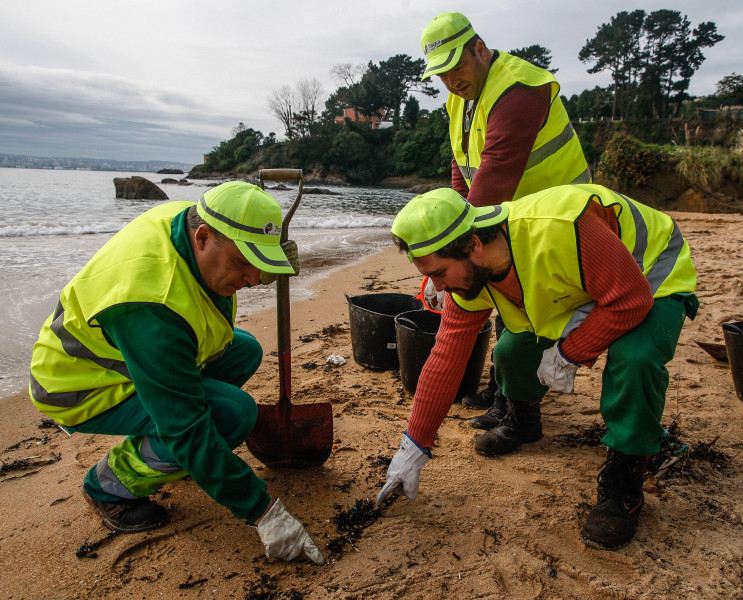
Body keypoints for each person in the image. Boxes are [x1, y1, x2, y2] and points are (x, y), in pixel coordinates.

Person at [376, 185, 699, 549]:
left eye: (439, 273)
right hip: (581, 284)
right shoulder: (470, 272)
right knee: (511, 352)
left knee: (634, 360)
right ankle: (524, 421)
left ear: (473, 247)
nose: (437, 287)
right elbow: (446, 354)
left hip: (649, 272)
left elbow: (629, 300)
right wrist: (414, 445)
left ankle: (625, 479)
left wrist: (570, 352)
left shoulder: (560, 228)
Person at [29, 181, 324, 564]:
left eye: (259, 264)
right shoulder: (150, 306)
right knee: (232, 415)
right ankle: (108, 485)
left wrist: (265, 267)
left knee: (244, 349)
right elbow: (186, 424)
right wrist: (265, 513)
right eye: (243, 264)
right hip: (81, 384)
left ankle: (174, 453)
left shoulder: (189, 219)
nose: (252, 279)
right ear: (202, 237)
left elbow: (212, 278)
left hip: (126, 356)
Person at [419, 11, 591, 419]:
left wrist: (447, 252)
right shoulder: (459, 99)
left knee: (522, 306)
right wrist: (454, 222)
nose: (450, 80)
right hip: (512, 219)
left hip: (559, 220)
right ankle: (502, 389)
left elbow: (493, 176)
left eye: (455, 66)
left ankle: (514, 405)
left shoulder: (519, 88)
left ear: (480, 49)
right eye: (440, 74)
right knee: (505, 296)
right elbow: (463, 169)